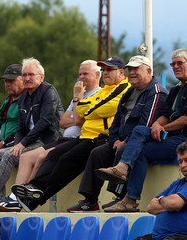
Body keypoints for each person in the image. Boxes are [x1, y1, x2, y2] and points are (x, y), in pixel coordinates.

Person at [95, 48, 187, 213]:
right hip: (174, 135)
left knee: (142, 150)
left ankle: (129, 198)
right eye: (173, 64)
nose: (175, 67)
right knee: (140, 130)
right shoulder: (177, 88)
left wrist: (161, 127)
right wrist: (157, 124)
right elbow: (165, 114)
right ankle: (122, 170)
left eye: (180, 63)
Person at [11, 58, 130, 211]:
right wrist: (83, 105)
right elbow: (76, 113)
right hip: (85, 136)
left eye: (109, 70)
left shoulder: (123, 88)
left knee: (66, 161)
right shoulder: (106, 90)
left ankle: (35, 199)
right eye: (104, 69)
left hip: (98, 138)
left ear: (121, 72)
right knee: (53, 155)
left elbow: (89, 111)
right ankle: (33, 188)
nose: (105, 73)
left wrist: (79, 100)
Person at [66, 55, 167, 212]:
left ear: (148, 71)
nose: (132, 72)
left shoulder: (156, 92)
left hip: (140, 141)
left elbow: (146, 124)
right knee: (98, 153)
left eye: (136, 69)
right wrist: (114, 140)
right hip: (120, 139)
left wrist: (125, 141)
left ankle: (121, 198)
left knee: (123, 150)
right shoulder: (130, 92)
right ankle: (89, 200)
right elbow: (117, 121)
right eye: (130, 69)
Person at [0, 58, 63, 204]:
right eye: (24, 75)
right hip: (30, 141)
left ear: (41, 77)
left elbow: (45, 122)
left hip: (48, 140)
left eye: (31, 74)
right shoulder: (24, 97)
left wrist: (23, 144)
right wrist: (18, 144)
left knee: (8, 156)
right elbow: (21, 127)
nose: (27, 78)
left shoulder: (48, 91)